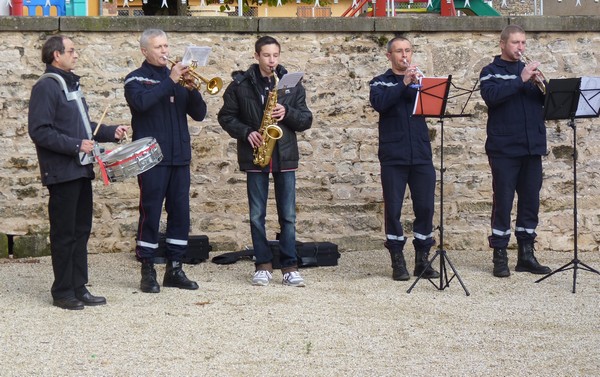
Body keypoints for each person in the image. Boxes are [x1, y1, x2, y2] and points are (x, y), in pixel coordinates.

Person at [28, 35, 129, 310]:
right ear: (55, 56)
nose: (76, 55)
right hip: (62, 172)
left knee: (81, 230)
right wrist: (75, 145)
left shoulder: (70, 84)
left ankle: (78, 286)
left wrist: (109, 132)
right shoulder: (47, 86)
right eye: (71, 51)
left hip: (80, 170)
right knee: (64, 233)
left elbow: (84, 126)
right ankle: (62, 291)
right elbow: (39, 130)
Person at [218, 36, 313, 287]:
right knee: (256, 215)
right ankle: (262, 265)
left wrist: (287, 113)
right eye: (267, 55)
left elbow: (306, 119)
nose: (272, 61)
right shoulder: (239, 85)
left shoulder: (291, 84)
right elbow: (225, 117)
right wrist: (246, 132)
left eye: (276, 55)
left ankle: (289, 266)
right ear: (256, 56)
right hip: (256, 154)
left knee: (289, 216)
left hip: (285, 155)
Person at [124, 29, 207, 293]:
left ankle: (175, 269)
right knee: (150, 212)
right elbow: (142, 104)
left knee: (180, 213)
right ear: (144, 51)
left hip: (179, 157)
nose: (165, 52)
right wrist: (170, 81)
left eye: (166, 46)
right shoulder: (135, 79)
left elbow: (200, 114)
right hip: (152, 158)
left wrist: (192, 90)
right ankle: (147, 268)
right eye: (158, 47)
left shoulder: (180, 80)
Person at [479, 25, 551, 278]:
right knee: (503, 202)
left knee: (530, 202)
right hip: (504, 148)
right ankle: (500, 255)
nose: (520, 48)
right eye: (515, 43)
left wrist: (543, 86)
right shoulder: (490, 72)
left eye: (523, 43)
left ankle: (526, 255)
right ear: (502, 44)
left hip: (532, 147)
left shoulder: (529, 72)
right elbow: (492, 97)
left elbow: (547, 106)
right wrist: (521, 80)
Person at [369, 36, 440, 281]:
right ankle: (398, 262)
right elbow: (380, 104)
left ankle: (422, 261)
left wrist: (422, 86)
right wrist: (404, 84)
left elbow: (434, 108)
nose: (404, 55)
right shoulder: (381, 82)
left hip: (420, 153)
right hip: (393, 156)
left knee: (426, 207)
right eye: (399, 51)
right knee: (394, 209)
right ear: (389, 56)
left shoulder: (421, 81)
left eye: (408, 50)